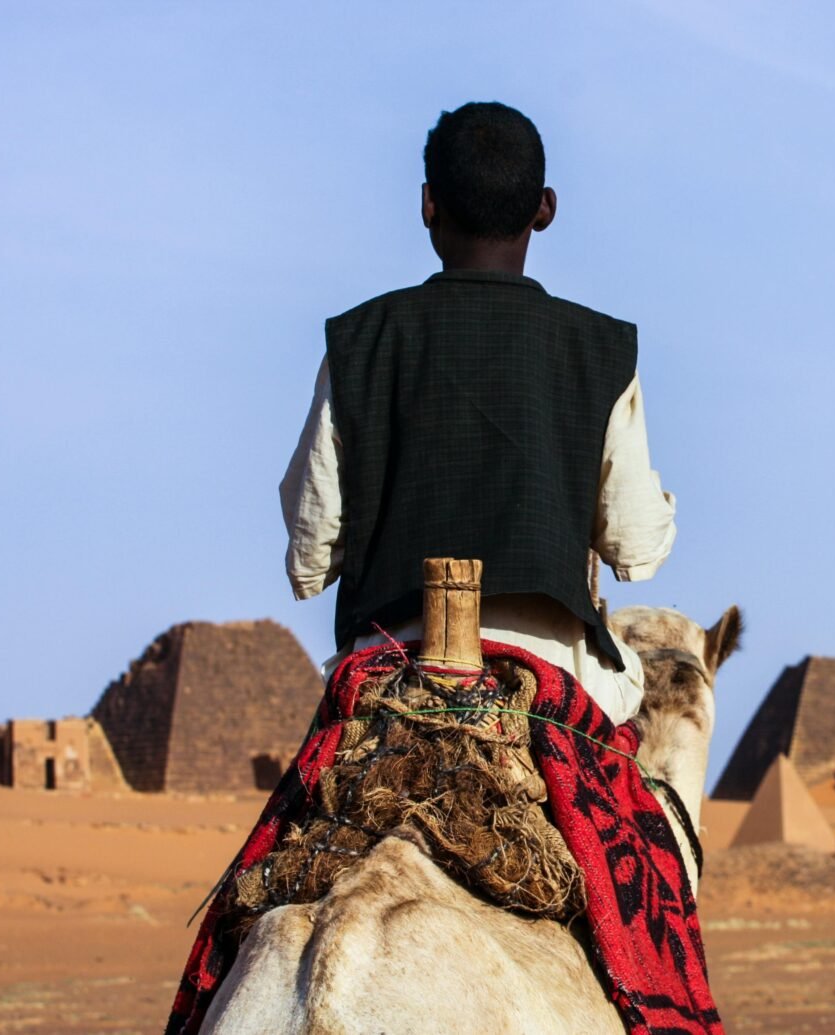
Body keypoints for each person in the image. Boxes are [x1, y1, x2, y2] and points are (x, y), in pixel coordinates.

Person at [279, 101, 675, 724]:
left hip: (391, 669)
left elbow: (313, 549)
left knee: (299, 816)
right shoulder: (602, 351)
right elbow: (637, 548)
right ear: (545, 208)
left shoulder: (361, 343)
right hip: (550, 677)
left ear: (428, 204)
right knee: (640, 810)